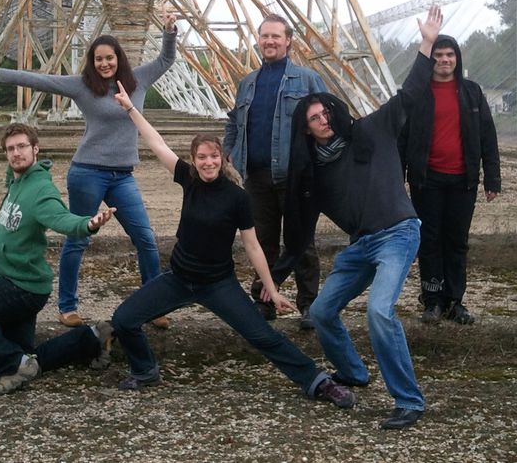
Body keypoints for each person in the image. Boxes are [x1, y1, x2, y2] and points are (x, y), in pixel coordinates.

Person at [107, 80, 357, 409]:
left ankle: (318, 381)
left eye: (213, 157)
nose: (207, 162)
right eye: (201, 157)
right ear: (193, 160)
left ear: (222, 159)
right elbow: (155, 142)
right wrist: (129, 108)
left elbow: (253, 246)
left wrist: (272, 287)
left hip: (218, 284)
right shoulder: (188, 179)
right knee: (124, 318)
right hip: (179, 279)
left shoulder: (238, 197)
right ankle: (145, 370)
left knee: (263, 336)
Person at [273, 5, 444, 431]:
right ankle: (353, 372)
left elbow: (410, 94)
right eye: (313, 119)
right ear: (306, 130)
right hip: (361, 246)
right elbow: (298, 231)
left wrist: (425, 43)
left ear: (334, 110)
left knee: (379, 312)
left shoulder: (372, 129)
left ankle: (409, 400)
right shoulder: (314, 172)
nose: (323, 120)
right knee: (325, 310)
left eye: (325, 112)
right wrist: (271, 279)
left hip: (399, 233)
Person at [0, 13, 177, 328]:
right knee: (78, 240)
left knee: (146, 238)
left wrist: (169, 31)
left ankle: (153, 306)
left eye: (109, 58)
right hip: (88, 173)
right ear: (92, 63)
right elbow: (39, 79)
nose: (104, 64)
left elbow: (166, 59)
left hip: (123, 175)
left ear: (118, 58)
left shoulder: (138, 80)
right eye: (98, 59)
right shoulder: (82, 86)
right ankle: (67, 306)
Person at [0, 123, 115, 395]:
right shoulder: (17, 180)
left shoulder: (41, 190)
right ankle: (91, 338)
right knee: (26, 355)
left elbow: (60, 218)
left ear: (35, 150)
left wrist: (88, 224)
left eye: (22, 147)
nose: (16, 153)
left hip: (21, 287)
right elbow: (13, 173)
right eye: (10, 149)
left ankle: (13, 365)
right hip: (15, 280)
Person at [222, 14, 326, 326]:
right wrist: (229, 150)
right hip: (256, 176)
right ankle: (263, 302)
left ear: (288, 40)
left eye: (276, 37)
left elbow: (326, 119)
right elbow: (233, 120)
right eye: (265, 36)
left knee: (301, 243)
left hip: (296, 177)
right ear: (258, 39)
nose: (269, 42)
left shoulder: (306, 80)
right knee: (261, 241)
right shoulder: (248, 83)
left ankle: (309, 305)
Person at [401, 33, 501, 326]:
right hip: (426, 180)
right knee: (430, 241)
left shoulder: (472, 92)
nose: (444, 60)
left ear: (457, 59)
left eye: (450, 55)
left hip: (463, 181)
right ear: (430, 60)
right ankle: (432, 301)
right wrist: (397, 177)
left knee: (456, 242)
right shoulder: (417, 93)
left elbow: (487, 137)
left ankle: (455, 301)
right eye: (438, 55)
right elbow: (402, 138)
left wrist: (492, 179)